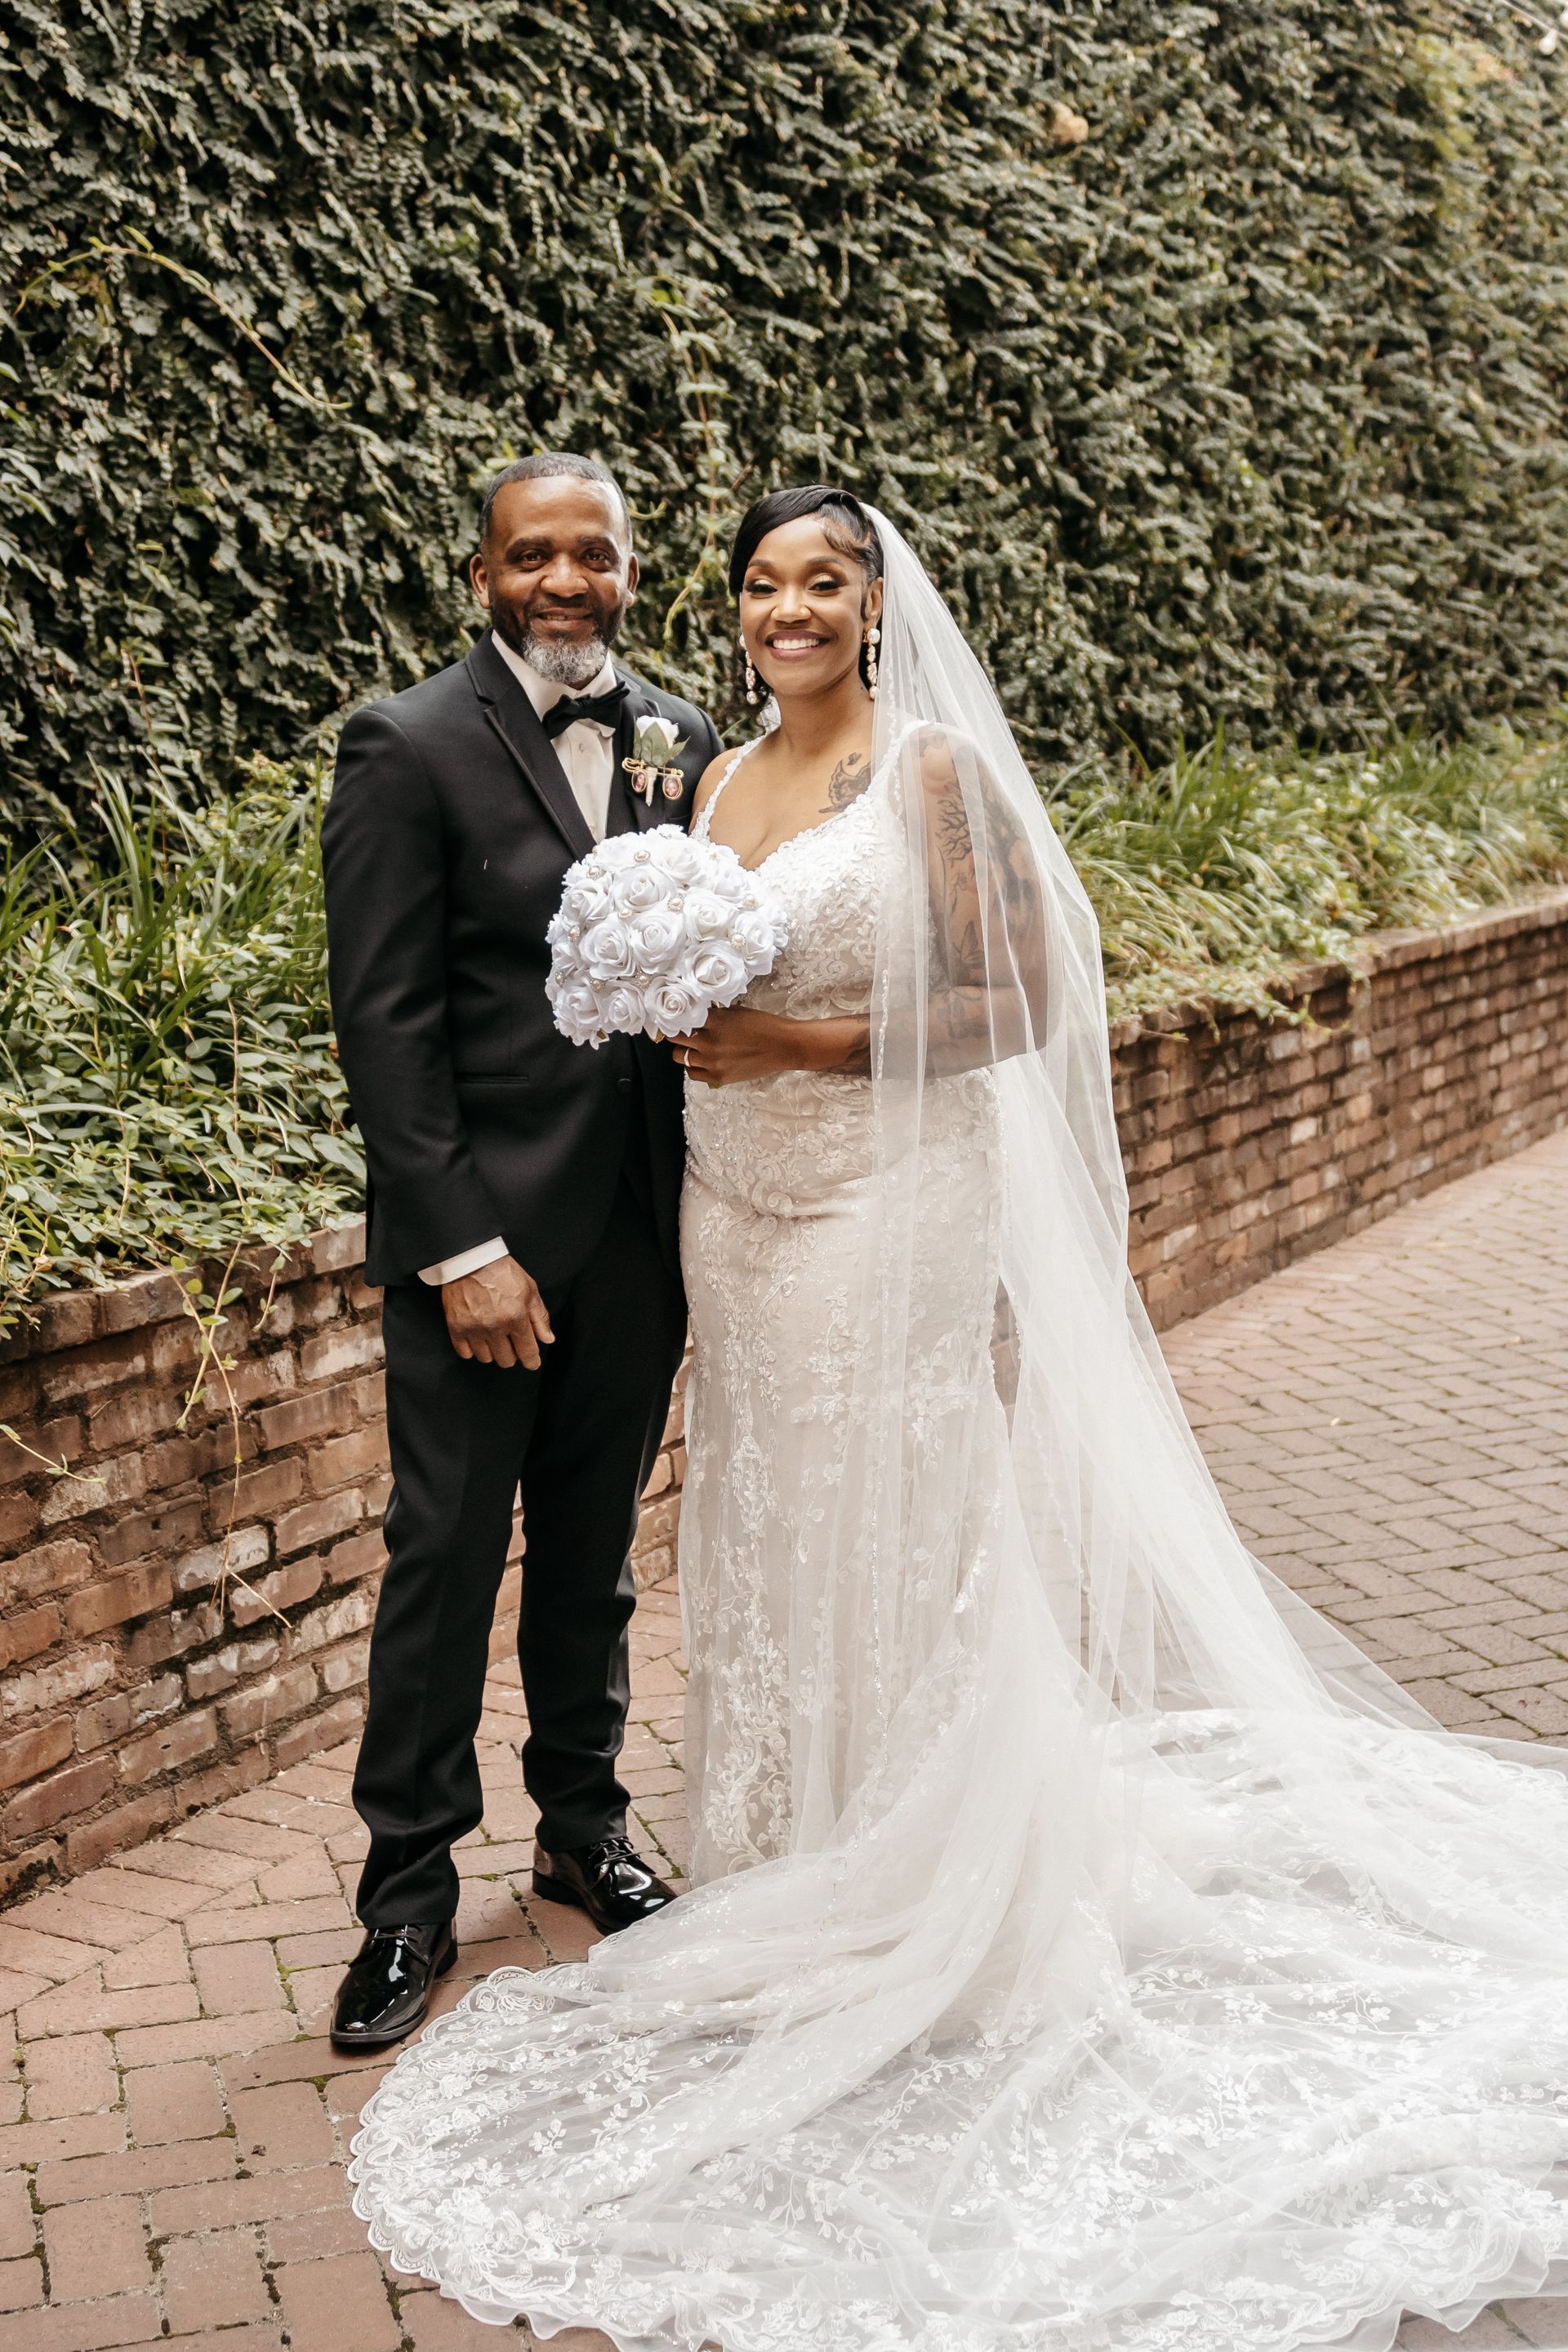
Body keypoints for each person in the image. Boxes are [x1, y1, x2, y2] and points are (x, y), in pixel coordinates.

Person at [349, 487, 1568, 2350]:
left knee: (888, 1495)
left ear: (876, 599)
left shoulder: (918, 777)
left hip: (882, 1192)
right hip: (708, 1217)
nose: (785, 610)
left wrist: (796, 1049)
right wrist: (537, 1180)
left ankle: (906, 1865)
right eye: (760, 583)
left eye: (820, 582)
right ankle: (633, 1868)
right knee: (731, 1510)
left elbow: (1023, 993)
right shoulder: (677, 766)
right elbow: (469, 1005)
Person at [320, 452, 720, 2053]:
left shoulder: (682, 737)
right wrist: (460, 1245)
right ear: (483, 571)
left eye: (596, 555)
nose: (567, 581)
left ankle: (583, 1826)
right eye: (533, 555)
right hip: (486, 1254)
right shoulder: (405, 745)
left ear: (633, 568)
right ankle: (406, 1895)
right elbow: (387, 1024)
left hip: (640, 1231)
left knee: (594, 1557)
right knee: (444, 1564)